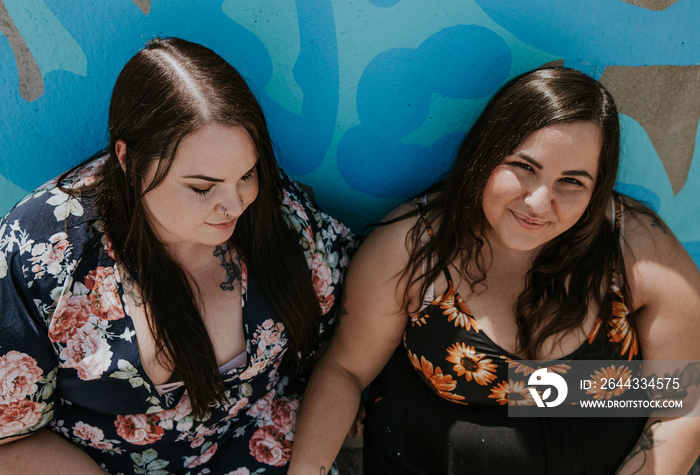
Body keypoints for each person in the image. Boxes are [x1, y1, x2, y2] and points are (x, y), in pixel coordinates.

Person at [288, 67, 700, 474]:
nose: (539, 203)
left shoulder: (631, 244)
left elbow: (683, 401)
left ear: (597, 189)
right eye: (524, 166)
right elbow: (346, 370)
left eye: (572, 181)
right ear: (486, 153)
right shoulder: (414, 250)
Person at [0, 37, 355, 473]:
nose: (235, 204)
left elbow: (344, 353)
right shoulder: (44, 254)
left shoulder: (279, 216)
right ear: (128, 160)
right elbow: (10, 441)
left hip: (269, 453)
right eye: (202, 188)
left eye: (247, 174)